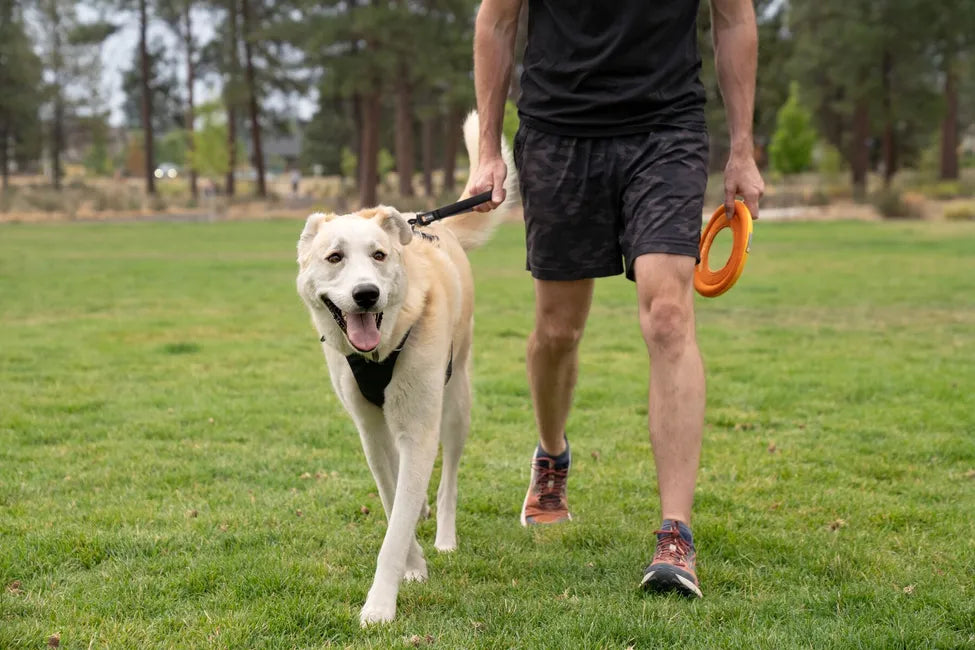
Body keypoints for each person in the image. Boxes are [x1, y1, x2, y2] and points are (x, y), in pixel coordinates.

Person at [468, 0, 764, 598]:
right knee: (558, 331)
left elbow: (734, 18)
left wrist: (741, 148)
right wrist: (487, 153)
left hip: (667, 129)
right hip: (558, 130)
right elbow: (495, 21)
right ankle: (552, 455)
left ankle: (675, 534)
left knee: (669, 315)